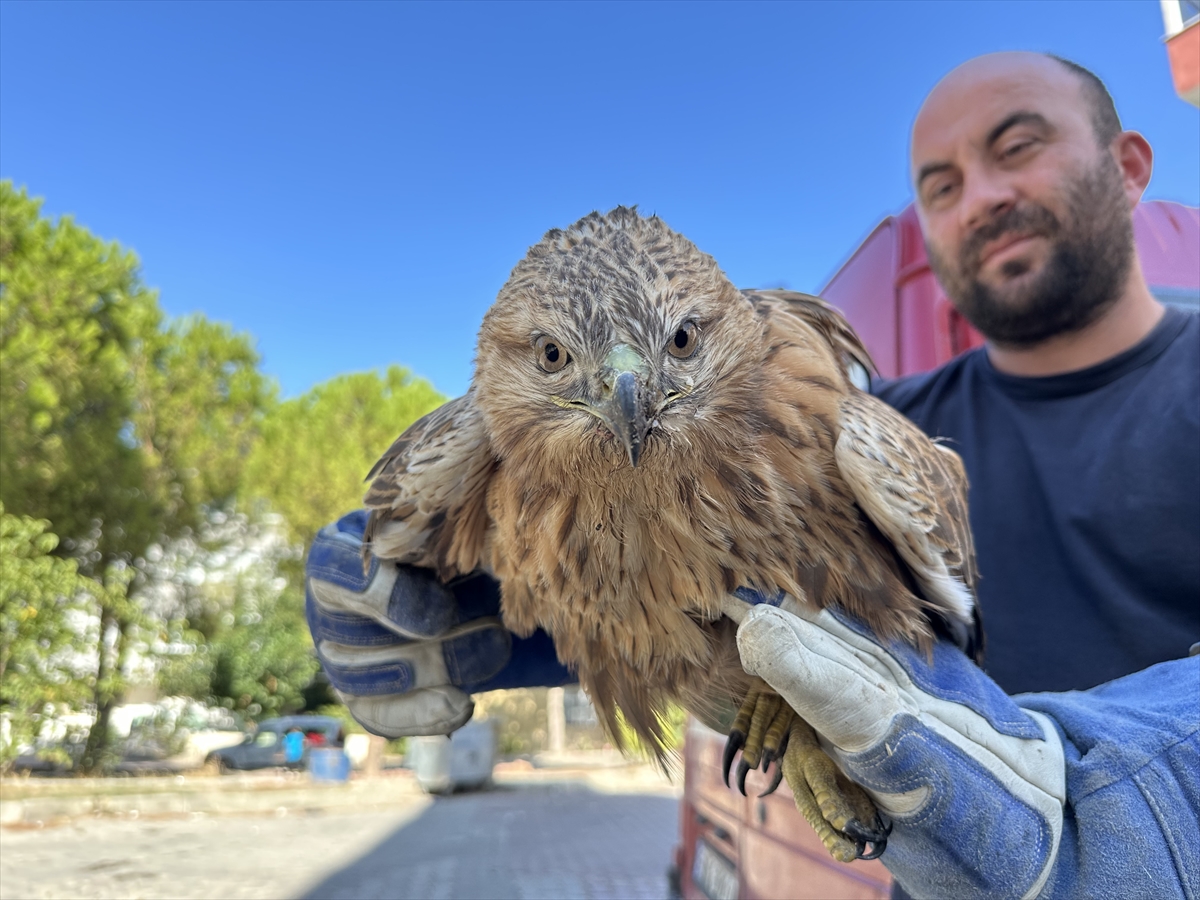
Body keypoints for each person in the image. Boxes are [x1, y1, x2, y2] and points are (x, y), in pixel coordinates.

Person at [304, 52, 1198, 898]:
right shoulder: (891, 406)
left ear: (1127, 166)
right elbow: (727, 606)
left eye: (1019, 147)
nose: (982, 198)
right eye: (941, 184)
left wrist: (1131, 797)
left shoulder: (869, 435)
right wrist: (537, 622)